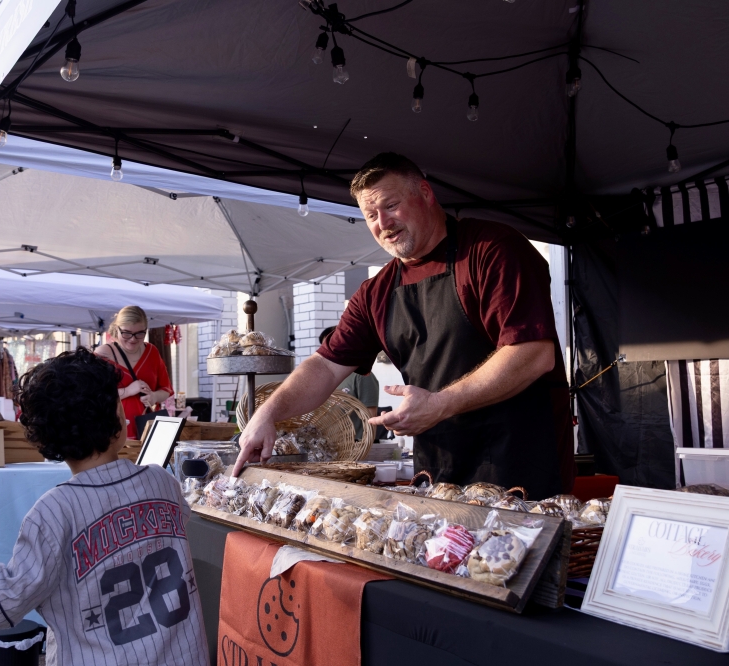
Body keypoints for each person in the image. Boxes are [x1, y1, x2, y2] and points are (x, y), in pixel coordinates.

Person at [234, 153, 575, 499]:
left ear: (425, 193)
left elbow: (533, 353)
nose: (383, 223)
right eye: (370, 215)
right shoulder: (375, 292)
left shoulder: (492, 250)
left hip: (520, 465)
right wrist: (268, 414)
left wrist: (440, 403)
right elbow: (324, 365)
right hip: (441, 474)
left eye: (391, 206)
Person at [0, 348, 209, 665]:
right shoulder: (163, 483)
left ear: (43, 438)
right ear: (119, 418)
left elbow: (5, 597)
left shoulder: (54, 510)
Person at [95, 306, 173, 439]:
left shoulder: (152, 351)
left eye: (139, 333)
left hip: (146, 429)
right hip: (112, 431)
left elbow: (166, 389)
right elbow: (92, 395)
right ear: (116, 329)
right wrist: (128, 391)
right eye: (126, 333)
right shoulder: (102, 355)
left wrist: (153, 396)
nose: (132, 339)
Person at [320, 326, 379, 442]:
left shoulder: (362, 375)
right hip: (329, 445)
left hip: (354, 445)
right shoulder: (326, 378)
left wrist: (365, 444)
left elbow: (371, 416)